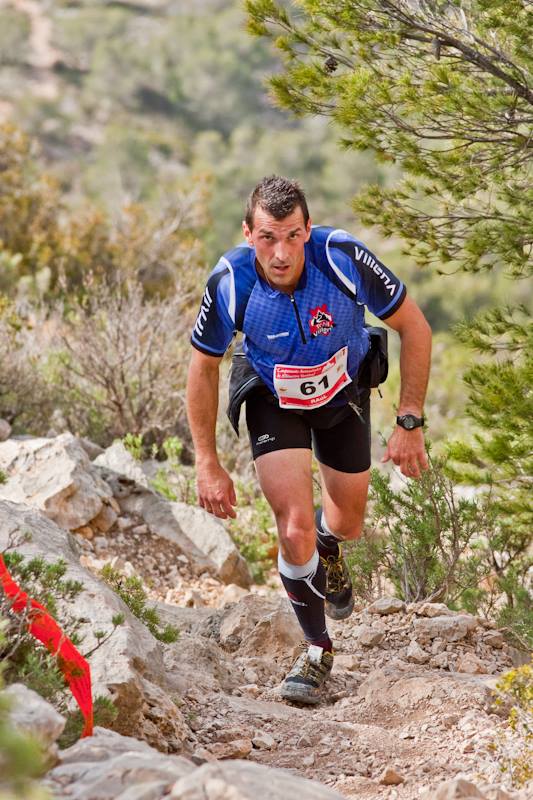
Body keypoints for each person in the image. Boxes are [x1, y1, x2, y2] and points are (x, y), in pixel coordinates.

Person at [186, 175, 431, 704]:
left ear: (308, 230)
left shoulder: (342, 257)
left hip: (343, 392)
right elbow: (203, 367)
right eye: (269, 237)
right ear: (248, 234)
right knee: (292, 524)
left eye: (293, 236)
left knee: (347, 522)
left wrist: (409, 420)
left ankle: (328, 542)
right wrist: (206, 461)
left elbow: (416, 327)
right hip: (274, 395)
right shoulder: (231, 280)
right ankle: (317, 648)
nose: (281, 252)